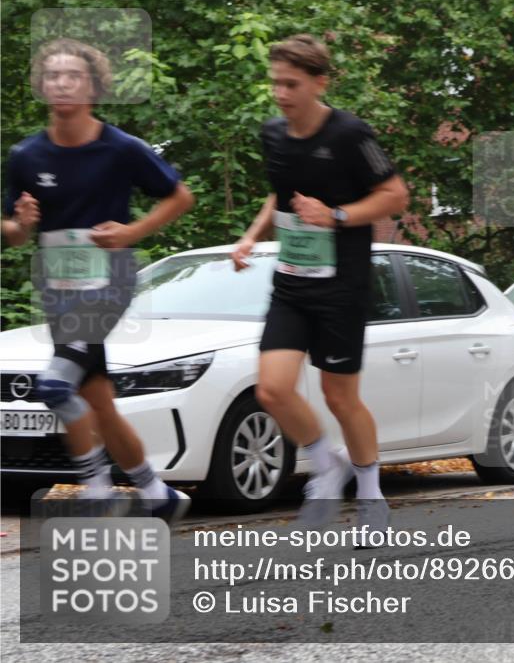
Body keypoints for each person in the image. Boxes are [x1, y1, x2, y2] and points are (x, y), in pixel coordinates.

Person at [2, 38, 195, 519]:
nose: (62, 83)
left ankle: (97, 488)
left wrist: (133, 231)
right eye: (53, 76)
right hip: (57, 289)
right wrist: (21, 225)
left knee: (53, 386)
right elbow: (10, 233)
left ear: (93, 87)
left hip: (110, 280)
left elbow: (179, 197)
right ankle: (157, 494)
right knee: (99, 404)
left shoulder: (121, 148)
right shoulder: (26, 155)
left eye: (73, 76)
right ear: (42, 87)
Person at [230, 35, 409, 530]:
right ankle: (325, 463)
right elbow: (280, 196)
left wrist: (335, 215)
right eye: (276, 84)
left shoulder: (350, 133)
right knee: (271, 390)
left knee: (339, 397)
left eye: (292, 84)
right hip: (292, 282)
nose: (281, 94)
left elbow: (394, 195)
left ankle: (371, 496)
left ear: (319, 82)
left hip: (342, 287)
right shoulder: (273, 134)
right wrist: (250, 237)